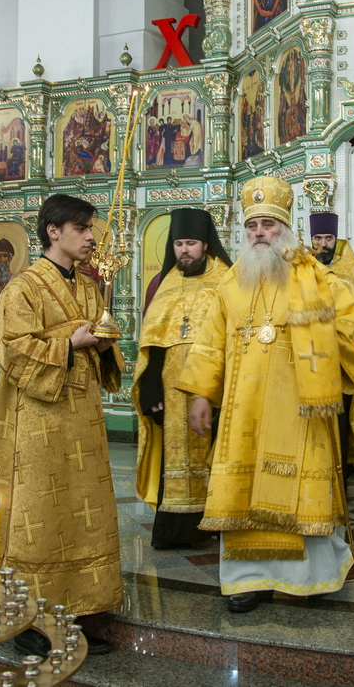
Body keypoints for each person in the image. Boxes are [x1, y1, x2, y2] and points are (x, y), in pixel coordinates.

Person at [178, 177, 354, 613]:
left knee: (299, 492)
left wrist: (322, 349)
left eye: (269, 224)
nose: (260, 232)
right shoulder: (230, 284)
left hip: (299, 408)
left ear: (286, 227)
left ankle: (308, 580)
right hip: (243, 412)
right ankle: (246, 581)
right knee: (241, 490)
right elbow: (210, 341)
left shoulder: (315, 277)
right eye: (253, 225)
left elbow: (351, 326)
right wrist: (202, 393)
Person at [0, 194, 124, 658]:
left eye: (91, 229)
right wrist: (72, 341)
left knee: (83, 511)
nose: (91, 237)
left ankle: (84, 607)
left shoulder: (88, 288)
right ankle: (28, 617)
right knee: (39, 517)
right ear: (54, 231)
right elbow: (11, 350)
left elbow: (100, 340)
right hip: (38, 424)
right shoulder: (22, 288)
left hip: (83, 421)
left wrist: (104, 345)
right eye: (82, 228)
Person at [134, 209, 233, 550]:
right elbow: (153, 340)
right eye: (178, 244)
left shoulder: (228, 279)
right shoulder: (165, 283)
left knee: (216, 453)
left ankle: (216, 523)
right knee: (173, 456)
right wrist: (150, 385)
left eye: (190, 243)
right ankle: (175, 529)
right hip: (172, 388)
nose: (184, 251)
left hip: (216, 384)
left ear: (206, 245)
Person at [310, 212, 354, 476]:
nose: (323, 244)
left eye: (328, 238)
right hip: (309, 361)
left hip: (341, 364)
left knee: (338, 424)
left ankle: (340, 479)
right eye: (317, 238)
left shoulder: (350, 276)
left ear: (337, 240)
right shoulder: (302, 272)